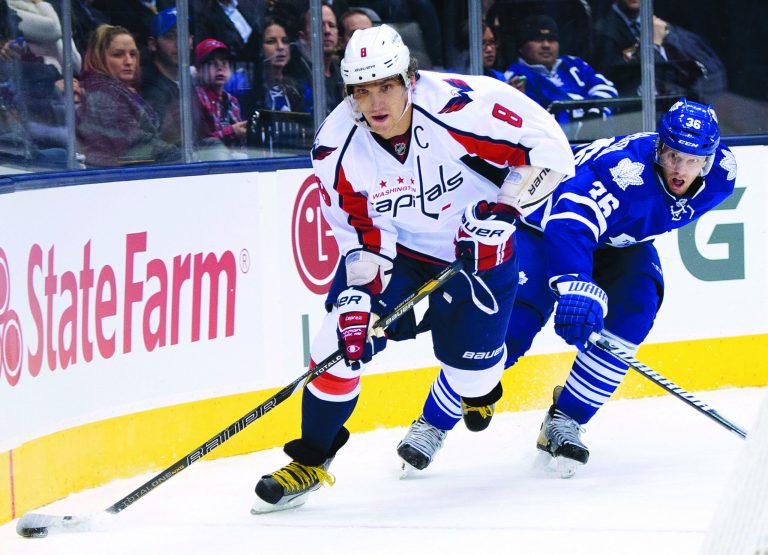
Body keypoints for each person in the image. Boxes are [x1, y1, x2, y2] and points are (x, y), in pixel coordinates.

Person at [251, 24, 574, 513]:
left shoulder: (470, 107)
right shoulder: (335, 147)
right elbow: (360, 232)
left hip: (479, 251)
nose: (375, 102)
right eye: (362, 91)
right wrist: (357, 297)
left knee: (473, 380)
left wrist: (507, 205)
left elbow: (553, 156)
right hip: (397, 254)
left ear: (410, 79)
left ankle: (477, 384)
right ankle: (311, 460)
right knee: (335, 343)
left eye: (386, 86)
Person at [399, 98, 736, 477]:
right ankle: (432, 423)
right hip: (543, 229)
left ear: (708, 159)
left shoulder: (723, 173)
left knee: (636, 306)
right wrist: (575, 283)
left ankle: (565, 420)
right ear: (660, 147)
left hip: (617, 243)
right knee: (508, 332)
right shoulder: (624, 172)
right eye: (673, 155)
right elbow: (569, 222)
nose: (680, 169)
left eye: (692, 161)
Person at [77, 24, 179, 166]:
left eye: (133, 54)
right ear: (98, 57)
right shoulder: (100, 93)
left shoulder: (121, 90)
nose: (129, 62)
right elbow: (133, 143)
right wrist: (178, 154)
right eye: (118, 55)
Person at [592, 0, 724, 102]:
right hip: (634, 116)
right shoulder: (601, 32)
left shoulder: (668, 24)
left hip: (677, 108)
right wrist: (653, 46)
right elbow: (617, 82)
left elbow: (711, 69)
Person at [504, 15, 618, 124]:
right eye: (538, 40)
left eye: (552, 39)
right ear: (521, 46)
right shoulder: (515, 78)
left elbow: (607, 89)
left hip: (598, 138)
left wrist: (596, 113)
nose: (546, 45)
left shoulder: (574, 64)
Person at [141, 7, 192, 146]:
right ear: (153, 44)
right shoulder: (148, 88)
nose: (179, 44)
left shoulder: (189, 83)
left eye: (183, 35)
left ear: (191, 40)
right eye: (170, 36)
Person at [193, 38, 247, 150]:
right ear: (197, 70)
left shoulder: (233, 101)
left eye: (224, 63)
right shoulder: (195, 98)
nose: (220, 68)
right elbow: (199, 144)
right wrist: (232, 131)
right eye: (212, 63)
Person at [252, 16, 307, 112]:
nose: (280, 47)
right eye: (271, 41)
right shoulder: (250, 88)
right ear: (260, 49)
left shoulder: (298, 89)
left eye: (285, 41)